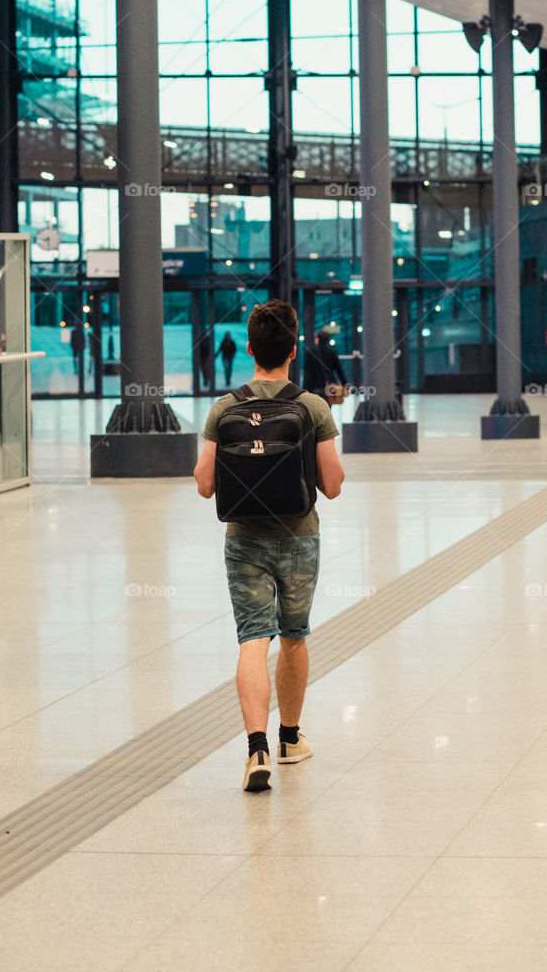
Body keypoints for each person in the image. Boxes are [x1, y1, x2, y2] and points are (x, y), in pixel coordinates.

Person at [194, 299, 345, 792]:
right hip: (299, 537)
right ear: (294, 349)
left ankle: (255, 749)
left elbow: (203, 484)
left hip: (243, 540)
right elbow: (333, 483)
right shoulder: (312, 407)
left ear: (250, 349)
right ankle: (288, 739)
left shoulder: (225, 407)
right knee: (294, 635)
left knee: (252, 640)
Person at [303, 329, 348, 407]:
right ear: (328, 340)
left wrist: (305, 388)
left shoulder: (310, 352)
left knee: (315, 408)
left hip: (314, 387)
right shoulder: (332, 353)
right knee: (327, 408)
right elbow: (339, 371)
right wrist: (345, 385)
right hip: (329, 387)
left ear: (317, 339)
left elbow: (307, 372)